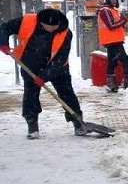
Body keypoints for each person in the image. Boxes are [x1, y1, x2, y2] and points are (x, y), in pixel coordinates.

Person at [0, 8, 86, 139]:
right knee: (31, 96)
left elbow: (60, 59)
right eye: (48, 27)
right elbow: (5, 28)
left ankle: (78, 123)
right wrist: (3, 42)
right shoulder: (27, 21)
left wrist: (44, 76)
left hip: (58, 68)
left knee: (67, 94)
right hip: (30, 65)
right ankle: (32, 125)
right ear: (41, 22)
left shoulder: (65, 33)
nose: (51, 29)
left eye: (54, 27)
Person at [97, 0, 128, 92]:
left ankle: (112, 83)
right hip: (112, 40)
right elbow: (111, 25)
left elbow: (118, 25)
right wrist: (124, 20)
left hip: (115, 40)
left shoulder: (113, 10)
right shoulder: (104, 11)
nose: (114, 1)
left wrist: (124, 20)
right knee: (126, 61)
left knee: (112, 62)